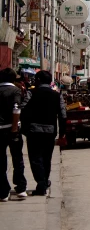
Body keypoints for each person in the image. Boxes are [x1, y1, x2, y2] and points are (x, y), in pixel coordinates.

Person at [20, 71, 66, 197]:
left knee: (35, 159)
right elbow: (63, 114)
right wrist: (62, 131)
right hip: (50, 131)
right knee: (47, 158)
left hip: (34, 131)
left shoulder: (31, 93)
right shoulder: (57, 95)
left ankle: (41, 184)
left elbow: (23, 110)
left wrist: (24, 129)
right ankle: (44, 181)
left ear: (39, 80)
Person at [0, 68, 27, 201]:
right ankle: (21, 188)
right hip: (12, 128)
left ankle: (3, 191)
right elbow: (16, 110)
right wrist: (14, 128)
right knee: (17, 158)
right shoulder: (15, 90)